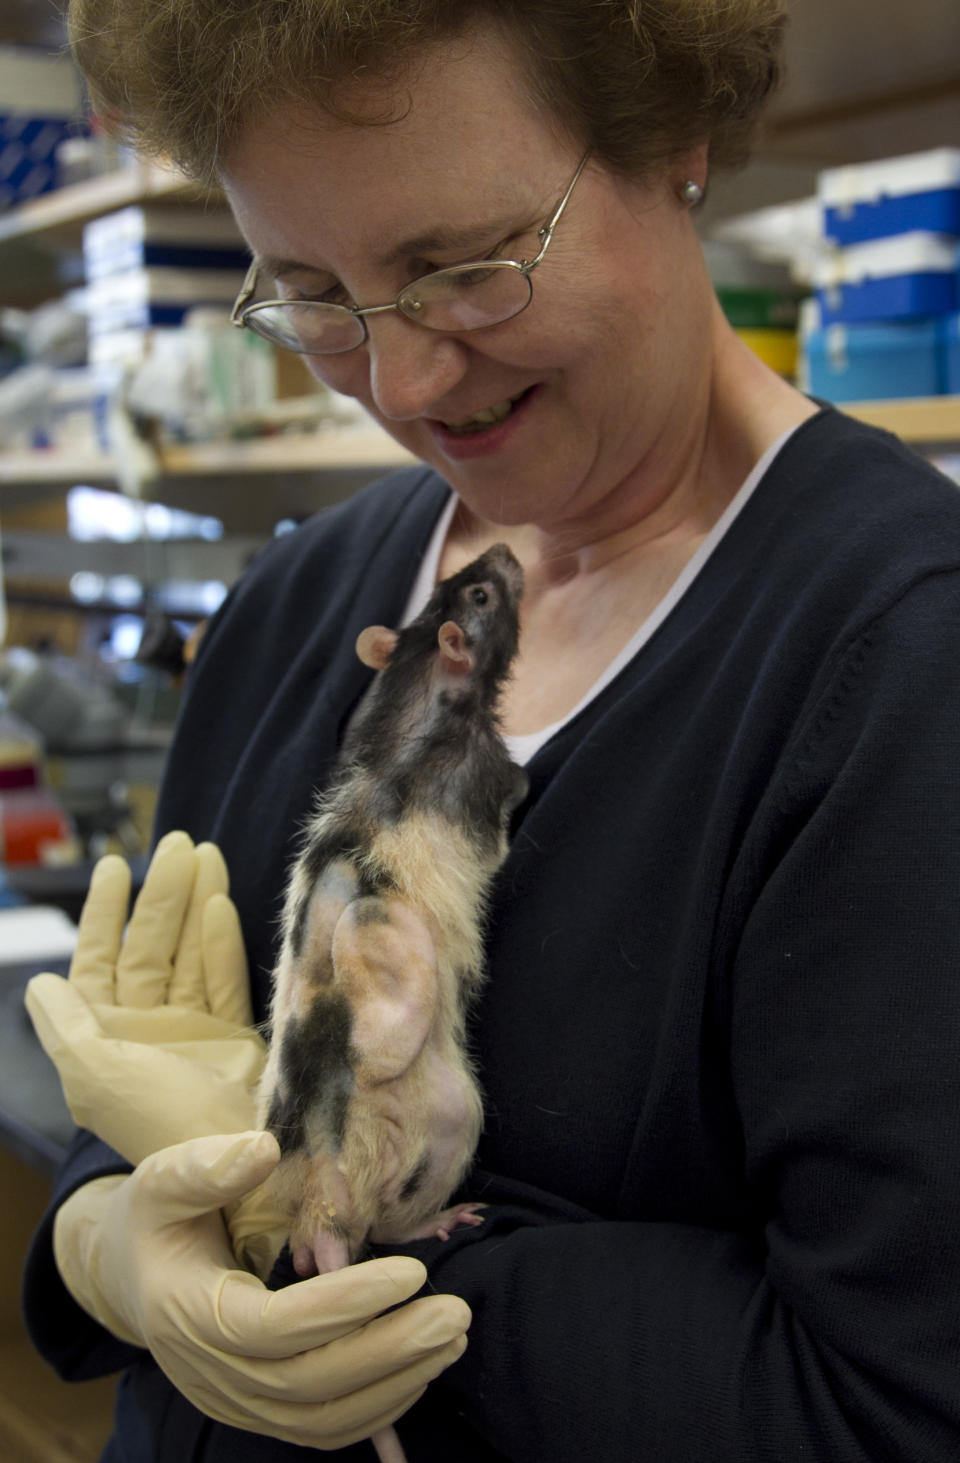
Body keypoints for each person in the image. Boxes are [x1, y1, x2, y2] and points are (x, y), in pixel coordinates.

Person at [20, 1, 960, 1458]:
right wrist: (111, 1240)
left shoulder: (899, 658)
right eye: (309, 289)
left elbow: (886, 1400)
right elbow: (150, 1092)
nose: (400, 387)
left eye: (461, 269)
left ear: (675, 139)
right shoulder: (299, 597)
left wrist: (332, 1243)